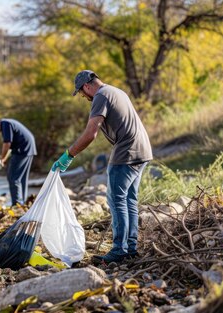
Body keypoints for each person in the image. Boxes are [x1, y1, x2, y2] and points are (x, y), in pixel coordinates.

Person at [52, 70, 152, 264]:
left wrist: (68, 154)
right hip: (142, 149)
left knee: (116, 199)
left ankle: (120, 250)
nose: (84, 97)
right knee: (129, 199)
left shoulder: (100, 96)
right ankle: (130, 248)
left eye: (82, 93)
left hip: (127, 152)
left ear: (87, 87)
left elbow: (91, 133)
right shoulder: (116, 91)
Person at [0, 118, 37, 207]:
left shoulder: (5, 123)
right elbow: (10, 145)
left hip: (22, 149)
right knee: (21, 178)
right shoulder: (8, 123)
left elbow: (7, 143)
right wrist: (4, 158)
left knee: (13, 177)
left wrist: (2, 159)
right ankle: (22, 202)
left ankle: (16, 204)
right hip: (28, 149)